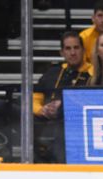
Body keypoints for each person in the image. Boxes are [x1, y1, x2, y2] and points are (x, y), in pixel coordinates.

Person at [33, 31, 92, 163]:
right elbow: (34, 97)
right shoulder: (53, 72)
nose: (72, 52)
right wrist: (41, 110)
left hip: (70, 124)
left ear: (83, 50)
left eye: (76, 48)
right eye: (68, 48)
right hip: (43, 119)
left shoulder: (92, 73)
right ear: (62, 53)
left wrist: (63, 106)